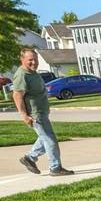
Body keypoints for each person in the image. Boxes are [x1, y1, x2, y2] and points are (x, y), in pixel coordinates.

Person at [12, 47, 73, 177]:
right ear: (22, 59)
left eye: (35, 59)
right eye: (30, 60)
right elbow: (17, 96)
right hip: (35, 114)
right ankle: (55, 168)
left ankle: (29, 158)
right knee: (50, 141)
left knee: (44, 139)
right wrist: (24, 115)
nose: (34, 62)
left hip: (41, 112)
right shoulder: (22, 75)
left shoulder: (32, 73)